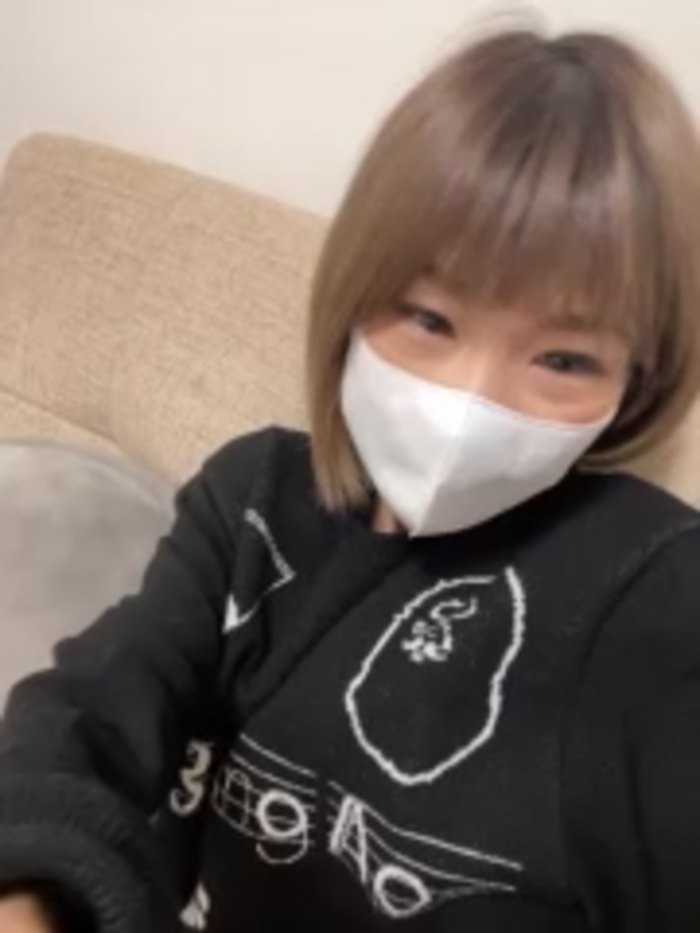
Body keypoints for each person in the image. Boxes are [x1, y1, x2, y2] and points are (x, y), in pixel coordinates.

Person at [1, 22, 700, 933]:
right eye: (430, 318)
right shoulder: (254, 502)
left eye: (564, 360)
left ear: (636, 384)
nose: (471, 402)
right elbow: (90, 713)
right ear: (354, 299)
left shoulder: (655, 596)